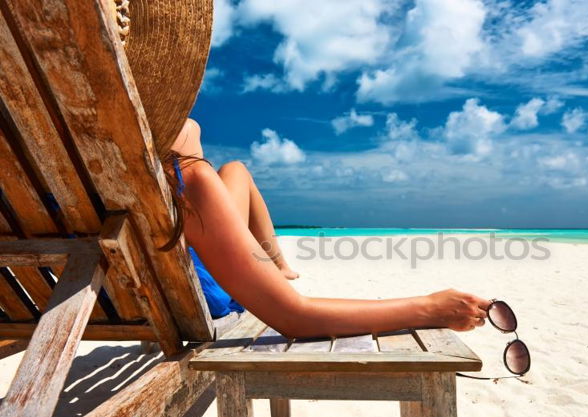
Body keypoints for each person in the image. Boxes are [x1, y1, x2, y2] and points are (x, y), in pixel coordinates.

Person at [166, 118, 489, 339]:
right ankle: (273, 268)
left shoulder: (126, 182)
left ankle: (279, 265)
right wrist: (430, 308)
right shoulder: (189, 182)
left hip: (135, 287)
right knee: (211, 158)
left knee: (235, 169)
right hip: (194, 294)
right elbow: (295, 318)